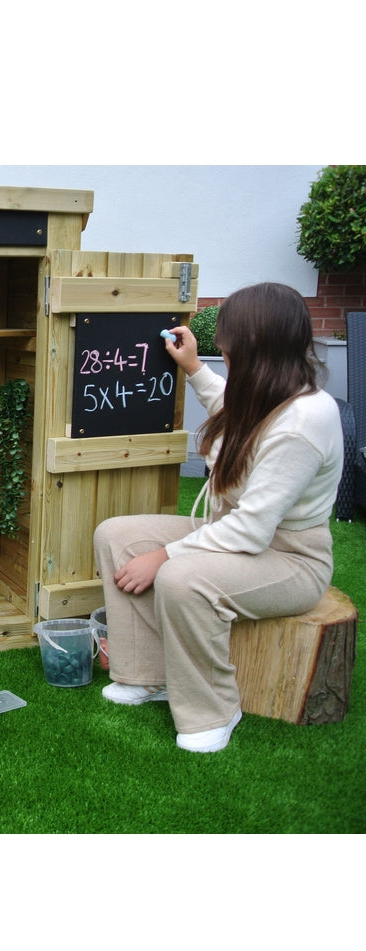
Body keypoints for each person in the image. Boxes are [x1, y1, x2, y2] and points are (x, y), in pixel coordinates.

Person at [93, 282, 344, 752]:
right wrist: (192, 368)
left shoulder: (306, 419)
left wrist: (164, 556)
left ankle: (213, 711)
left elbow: (250, 531)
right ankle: (148, 675)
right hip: (233, 535)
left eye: (227, 346)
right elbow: (230, 410)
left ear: (254, 347)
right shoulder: (269, 393)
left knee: (181, 578)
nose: (222, 352)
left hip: (292, 558)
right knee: (117, 536)